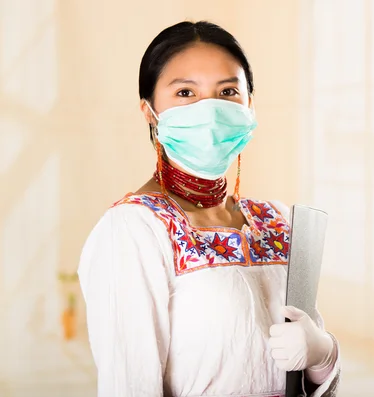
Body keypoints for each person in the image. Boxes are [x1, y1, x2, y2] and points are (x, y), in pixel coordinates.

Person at [78, 21, 340, 397]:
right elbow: (129, 385)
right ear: (150, 112)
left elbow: (311, 376)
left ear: (250, 104)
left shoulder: (278, 219)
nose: (212, 111)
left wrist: (323, 355)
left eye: (228, 91)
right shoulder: (133, 228)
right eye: (186, 92)